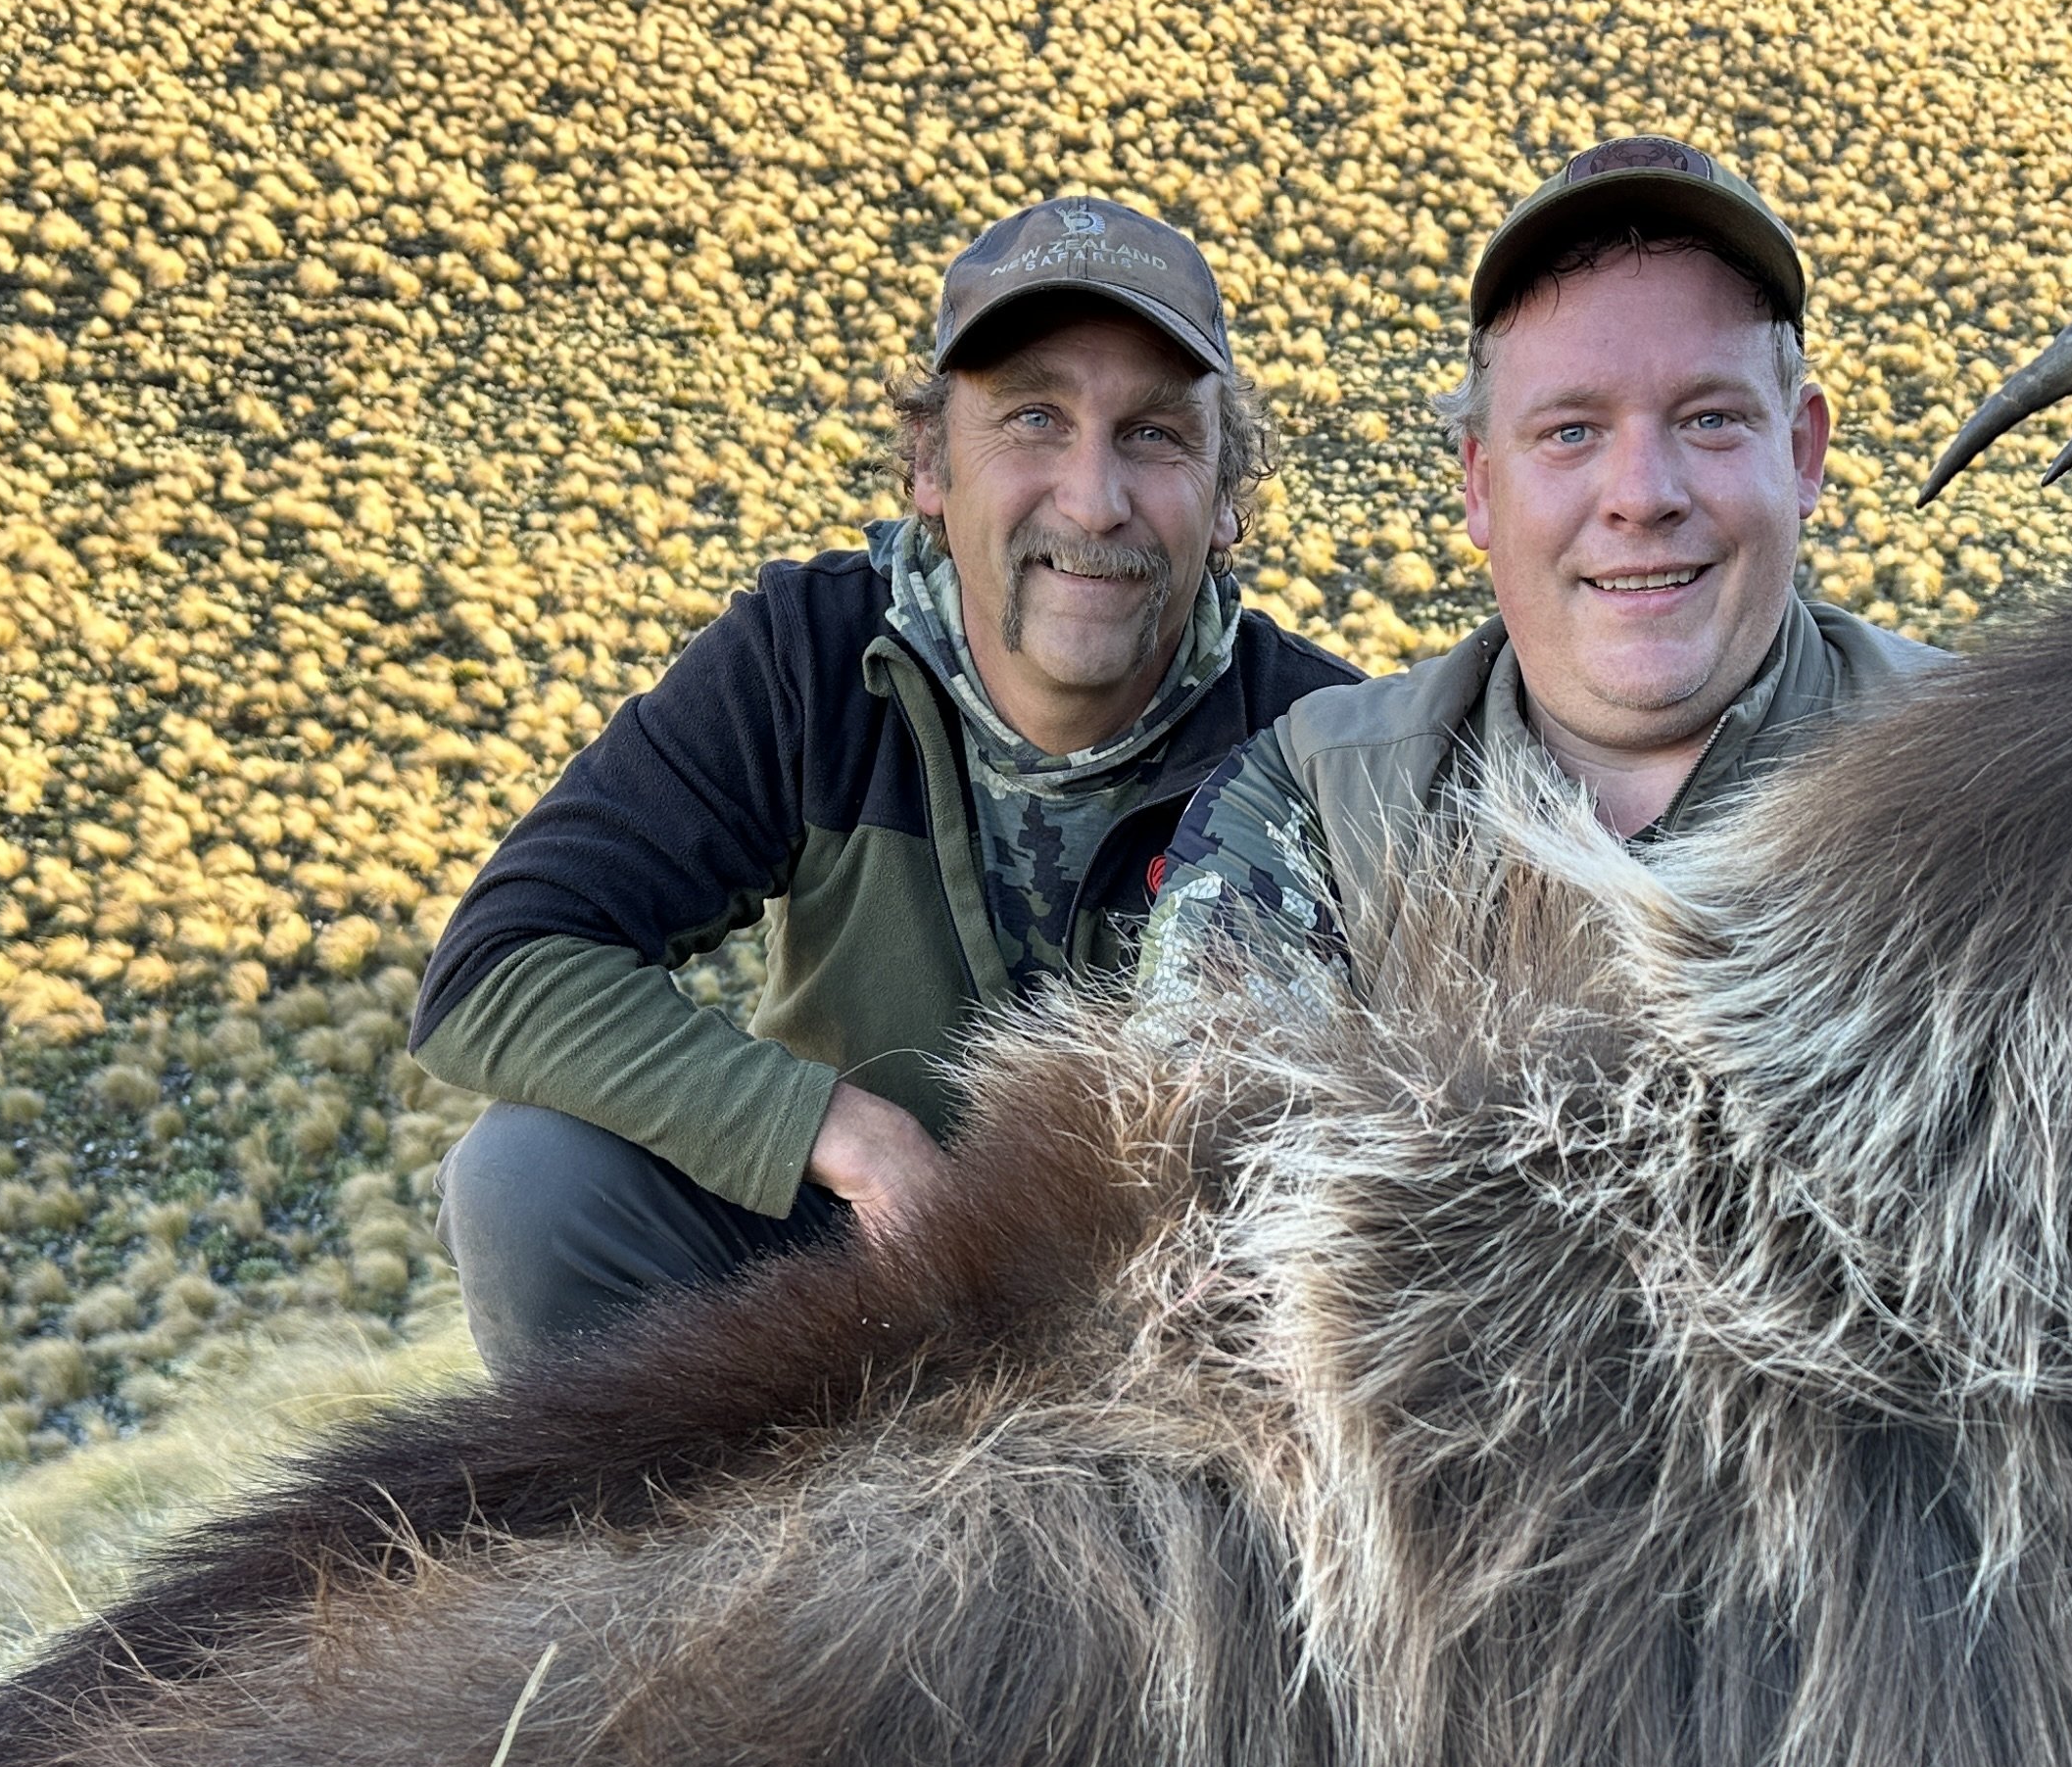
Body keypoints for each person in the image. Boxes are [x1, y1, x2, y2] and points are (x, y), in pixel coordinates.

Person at [410, 199, 1354, 1371]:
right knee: (526, 1180)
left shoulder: (1321, 747)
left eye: (1155, 435)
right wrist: (841, 1134)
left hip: (1172, 1332)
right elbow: (497, 969)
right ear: (929, 464)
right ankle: (652, 1547)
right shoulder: (808, 658)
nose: (1094, 497)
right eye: (1033, 419)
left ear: (1225, 499)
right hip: (848, 1276)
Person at [1144, 137, 1942, 981]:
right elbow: (1194, 1102)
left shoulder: (1996, 773)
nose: (1641, 494)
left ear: (1802, 452)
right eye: (1571, 432)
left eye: (1709, 418)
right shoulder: (1318, 799)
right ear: (1482, 483)